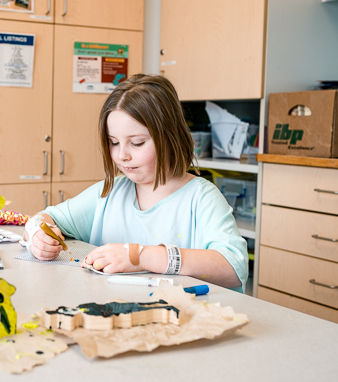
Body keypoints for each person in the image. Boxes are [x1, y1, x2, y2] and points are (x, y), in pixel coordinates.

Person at [22, 74, 248, 293]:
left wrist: (141, 256)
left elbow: (233, 268)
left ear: (170, 137)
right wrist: (37, 236)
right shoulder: (109, 193)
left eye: (137, 143)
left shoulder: (201, 197)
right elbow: (43, 218)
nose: (122, 155)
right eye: (114, 142)